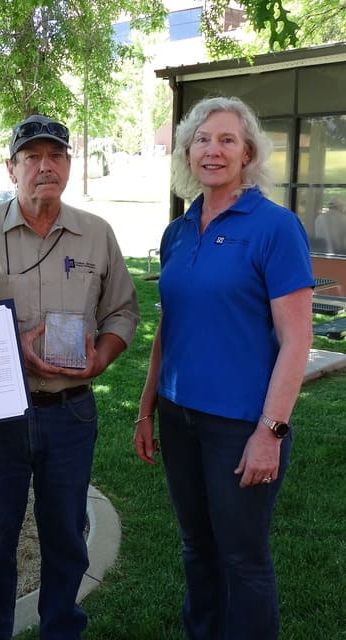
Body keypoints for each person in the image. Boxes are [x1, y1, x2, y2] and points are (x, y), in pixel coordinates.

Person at [0, 114, 139, 639]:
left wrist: (102, 358)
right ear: (11, 167)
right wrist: (8, 348)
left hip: (70, 413)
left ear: (68, 164)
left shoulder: (97, 234)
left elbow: (123, 312)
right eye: (32, 157)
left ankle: (61, 630)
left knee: (67, 538)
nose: (46, 166)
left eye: (57, 156)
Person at [134, 96, 314, 640]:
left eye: (227, 139)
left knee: (242, 557)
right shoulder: (178, 231)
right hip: (179, 417)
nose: (213, 150)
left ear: (248, 152)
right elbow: (170, 326)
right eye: (202, 140)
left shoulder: (275, 227)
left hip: (240, 424)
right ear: (188, 152)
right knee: (196, 547)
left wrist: (271, 431)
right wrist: (146, 409)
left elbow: (297, 338)